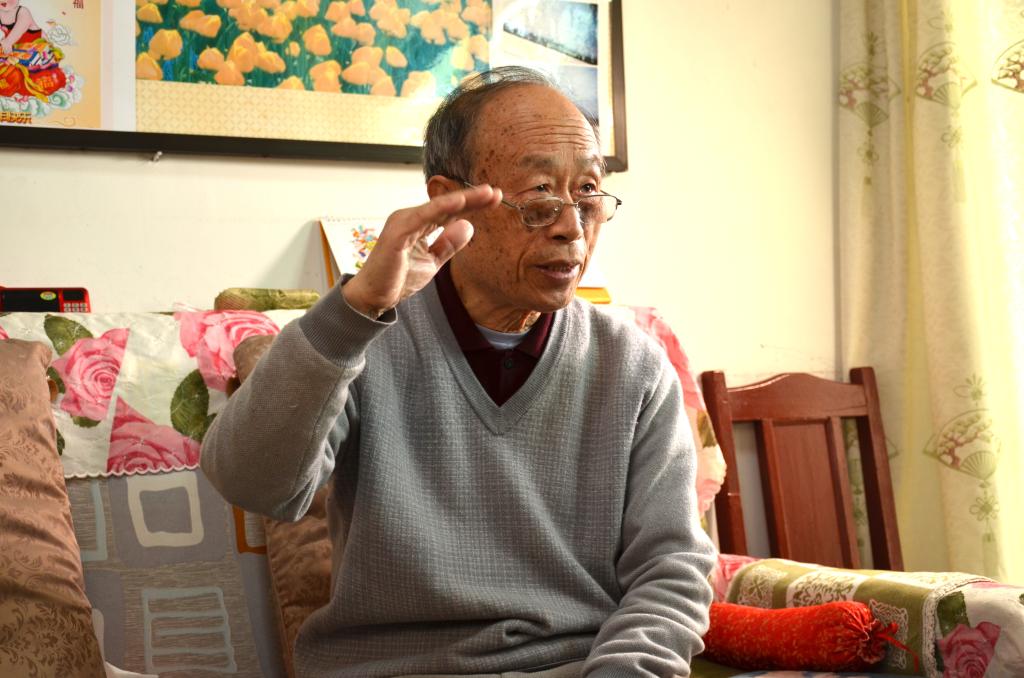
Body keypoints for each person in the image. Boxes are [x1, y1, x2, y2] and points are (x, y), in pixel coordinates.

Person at [201, 66, 716, 678]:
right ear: (449, 201)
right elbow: (252, 484)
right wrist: (352, 314)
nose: (572, 228)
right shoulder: (361, 342)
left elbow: (671, 569)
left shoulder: (633, 365)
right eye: (539, 195)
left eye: (587, 193)